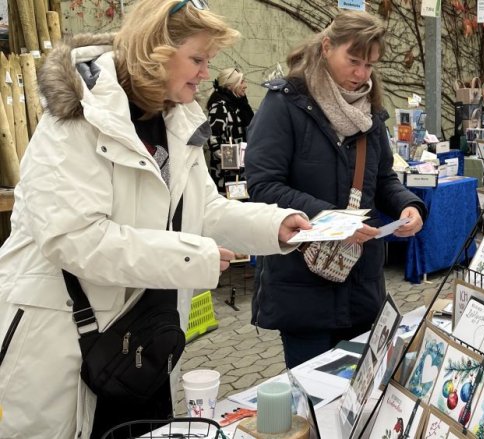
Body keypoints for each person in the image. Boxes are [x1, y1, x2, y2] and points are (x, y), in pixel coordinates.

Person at [0, 1, 310, 438]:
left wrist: (274, 225)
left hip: (142, 342)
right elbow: (75, 239)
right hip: (66, 344)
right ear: (156, 51)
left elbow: (205, 209)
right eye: (197, 59)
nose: (206, 73)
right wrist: (192, 257)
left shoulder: (177, 119)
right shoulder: (78, 118)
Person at [245, 10, 427, 369]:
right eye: (354, 61)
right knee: (313, 405)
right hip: (302, 290)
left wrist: (409, 205)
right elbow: (263, 184)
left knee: (362, 401)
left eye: (370, 65)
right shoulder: (286, 103)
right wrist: (333, 221)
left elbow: (384, 178)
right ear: (327, 47)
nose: (361, 75)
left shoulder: (371, 111)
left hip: (362, 287)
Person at [206, 67, 254, 191]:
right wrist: (233, 160)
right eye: (242, 82)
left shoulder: (239, 106)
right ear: (231, 85)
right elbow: (212, 139)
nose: (245, 85)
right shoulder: (220, 107)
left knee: (241, 204)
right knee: (231, 206)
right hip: (227, 176)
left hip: (242, 171)